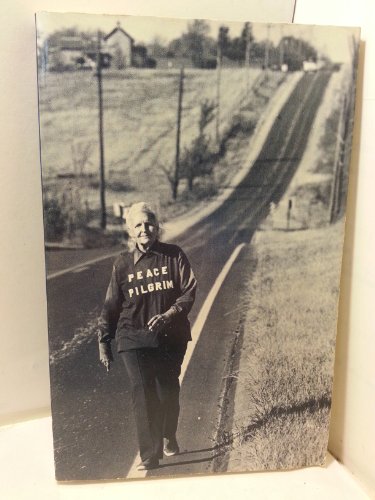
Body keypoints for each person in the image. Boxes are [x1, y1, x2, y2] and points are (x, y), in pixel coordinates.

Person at [97, 202, 197, 471]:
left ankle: (169, 434)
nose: (145, 229)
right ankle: (149, 455)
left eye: (149, 223)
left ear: (157, 227)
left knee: (167, 391)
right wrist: (104, 341)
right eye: (138, 225)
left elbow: (188, 291)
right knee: (142, 391)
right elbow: (111, 305)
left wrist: (169, 315)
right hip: (133, 337)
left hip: (170, 336)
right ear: (130, 231)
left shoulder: (174, 256)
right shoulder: (122, 265)